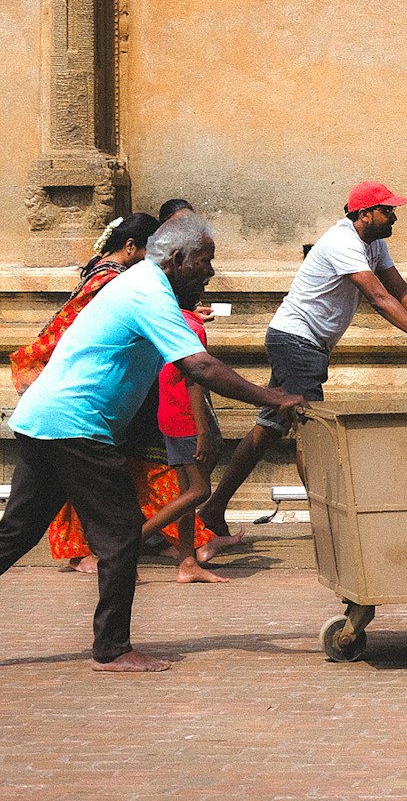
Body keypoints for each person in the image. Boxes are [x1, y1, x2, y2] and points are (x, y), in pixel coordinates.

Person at [0, 214, 304, 672]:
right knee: (121, 535)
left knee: (19, 531)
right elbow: (199, 367)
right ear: (178, 260)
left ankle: (113, 645)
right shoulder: (148, 291)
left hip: (47, 418)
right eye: (206, 261)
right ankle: (113, 648)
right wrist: (272, 396)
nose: (210, 272)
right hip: (77, 424)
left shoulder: (140, 283)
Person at [198, 181, 407, 537]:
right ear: (363, 214)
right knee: (313, 434)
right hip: (297, 342)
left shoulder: (374, 244)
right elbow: (378, 297)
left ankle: (215, 506)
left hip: (302, 343)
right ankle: (331, 525)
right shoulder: (343, 242)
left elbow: (401, 291)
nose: (394, 217)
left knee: (270, 428)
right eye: (387, 211)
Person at [9, 212, 160, 573]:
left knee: (20, 529)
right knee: (117, 530)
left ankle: (110, 612)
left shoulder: (104, 273)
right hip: (72, 405)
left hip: (58, 404)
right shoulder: (115, 282)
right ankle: (87, 558)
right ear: (130, 247)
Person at [140, 302, 229, 585]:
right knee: (200, 491)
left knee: (185, 493)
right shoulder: (194, 330)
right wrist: (202, 430)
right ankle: (131, 541)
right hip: (186, 419)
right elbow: (195, 380)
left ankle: (187, 561)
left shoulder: (172, 322)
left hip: (168, 416)